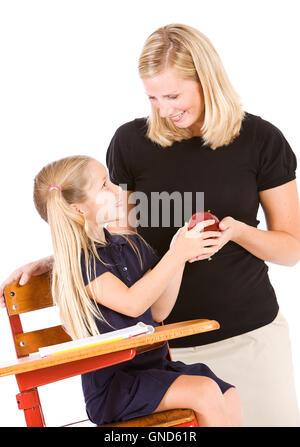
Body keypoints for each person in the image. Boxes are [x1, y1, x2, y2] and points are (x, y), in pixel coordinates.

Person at [1, 23, 300, 427]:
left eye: (173, 95)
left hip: (249, 335)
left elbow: (291, 249)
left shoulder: (261, 139)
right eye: (153, 97)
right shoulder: (130, 143)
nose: (163, 108)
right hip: (157, 352)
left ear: (207, 80)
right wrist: (57, 258)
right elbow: (106, 234)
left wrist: (239, 231)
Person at [20, 155, 242, 427]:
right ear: (79, 209)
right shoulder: (81, 262)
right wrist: (174, 254)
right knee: (205, 392)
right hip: (115, 386)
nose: (117, 190)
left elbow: (159, 309)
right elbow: (133, 304)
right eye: (104, 185)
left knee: (228, 394)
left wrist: (181, 257)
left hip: (154, 369)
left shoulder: (130, 246)